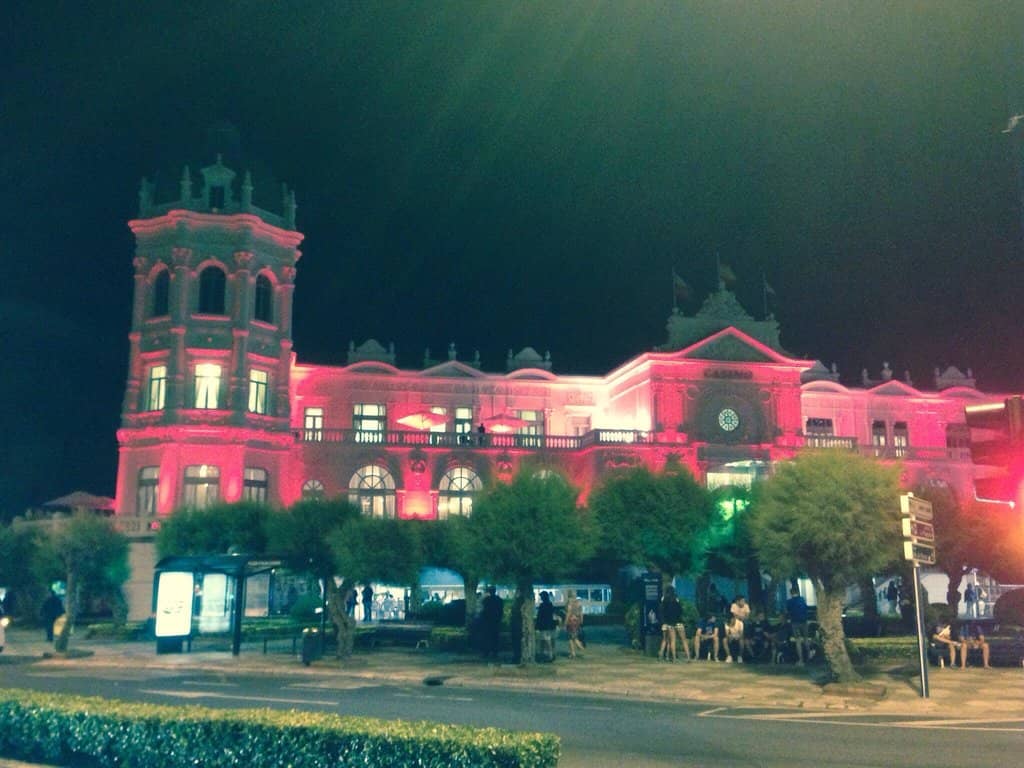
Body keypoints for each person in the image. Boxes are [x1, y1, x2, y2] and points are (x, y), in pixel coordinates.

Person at [786, 587, 809, 666]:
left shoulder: (789, 602)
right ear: (798, 592)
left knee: (798, 641)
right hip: (804, 621)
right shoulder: (802, 599)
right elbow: (806, 609)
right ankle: (809, 656)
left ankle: (801, 659)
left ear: (791, 593)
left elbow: (788, 612)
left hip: (795, 622)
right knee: (806, 639)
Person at [659, 586, 683, 661]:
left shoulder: (664, 599)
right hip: (672, 622)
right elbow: (680, 610)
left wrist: (663, 621)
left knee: (664, 640)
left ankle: (661, 656)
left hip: (665, 623)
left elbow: (661, 611)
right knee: (672, 640)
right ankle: (674, 657)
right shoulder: (675, 599)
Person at [480, 585, 503, 659]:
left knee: (486, 637)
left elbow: (484, 610)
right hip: (496, 621)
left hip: (487, 621)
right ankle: (495, 653)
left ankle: (486, 652)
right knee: (495, 638)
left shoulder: (486, 600)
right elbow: (500, 611)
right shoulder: (499, 600)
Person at [535, 591, 557, 662]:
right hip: (549, 625)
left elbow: (539, 617)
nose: (540, 597)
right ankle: (550, 654)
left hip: (543, 626)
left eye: (541, 596)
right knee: (548, 640)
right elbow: (552, 615)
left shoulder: (542, 605)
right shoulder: (550, 604)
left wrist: (537, 626)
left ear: (543, 597)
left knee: (545, 640)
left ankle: (548, 655)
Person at [564, 589, 584, 659]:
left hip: (571, 621)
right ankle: (577, 648)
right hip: (577, 620)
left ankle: (574, 651)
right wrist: (581, 620)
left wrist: (565, 622)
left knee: (570, 637)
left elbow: (568, 613)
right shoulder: (579, 602)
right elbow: (581, 612)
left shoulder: (569, 602)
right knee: (573, 636)